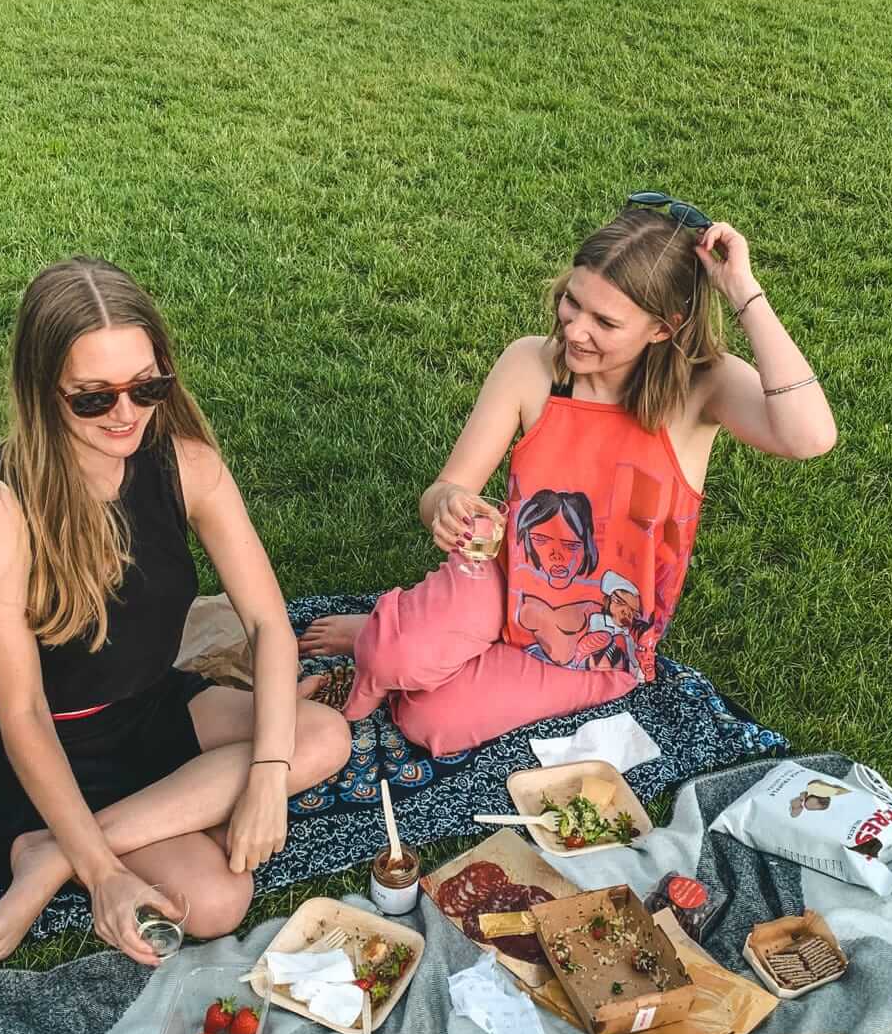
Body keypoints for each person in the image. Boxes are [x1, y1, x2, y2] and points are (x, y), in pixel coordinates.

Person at [299, 195, 836, 755]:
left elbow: (810, 437)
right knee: (392, 660)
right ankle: (396, 642)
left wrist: (743, 292)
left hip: (597, 633)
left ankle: (399, 633)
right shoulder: (531, 364)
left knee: (429, 719)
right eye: (571, 303)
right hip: (505, 576)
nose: (575, 330)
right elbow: (444, 488)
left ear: (662, 328)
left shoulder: (703, 388)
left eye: (604, 321)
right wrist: (450, 507)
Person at [0, 257, 350, 970]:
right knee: (220, 903)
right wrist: (105, 875)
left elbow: (266, 624)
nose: (127, 413)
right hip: (50, 744)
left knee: (319, 737)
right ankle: (75, 845)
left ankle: (51, 857)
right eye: (93, 398)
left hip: (147, 706)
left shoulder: (185, 462)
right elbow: (24, 713)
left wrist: (267, 771)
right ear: (44, 391)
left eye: (147, 386)